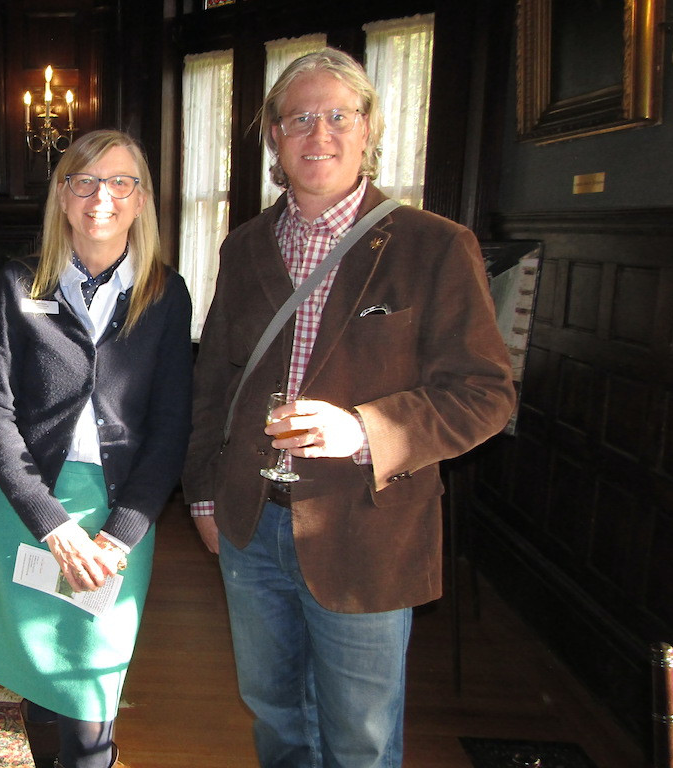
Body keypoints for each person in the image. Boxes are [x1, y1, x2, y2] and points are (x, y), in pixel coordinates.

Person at [182, 48, 516, 768]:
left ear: (370, 129)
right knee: (274, 715)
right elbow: (212, 384)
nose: (319, 133)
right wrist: (205, 498)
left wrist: (364, 429)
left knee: (360, 738)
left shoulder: (435, 246)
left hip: (366, 531)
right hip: (249, 525)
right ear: (274, 136)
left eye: (338, 114)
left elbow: (487, 394)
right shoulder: (244, 248)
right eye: (300, 117)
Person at [0, 129, 193, 768]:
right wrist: (51, 524)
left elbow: (171, 425)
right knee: (43, 679)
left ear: (142, 200)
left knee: (91, 685)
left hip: (118, 514)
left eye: (121, 181)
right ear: (63, 197)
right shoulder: (20, 285)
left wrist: (119, 534)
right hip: (31, 511)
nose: (103, 196)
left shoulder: (165, 293)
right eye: (85, 181)